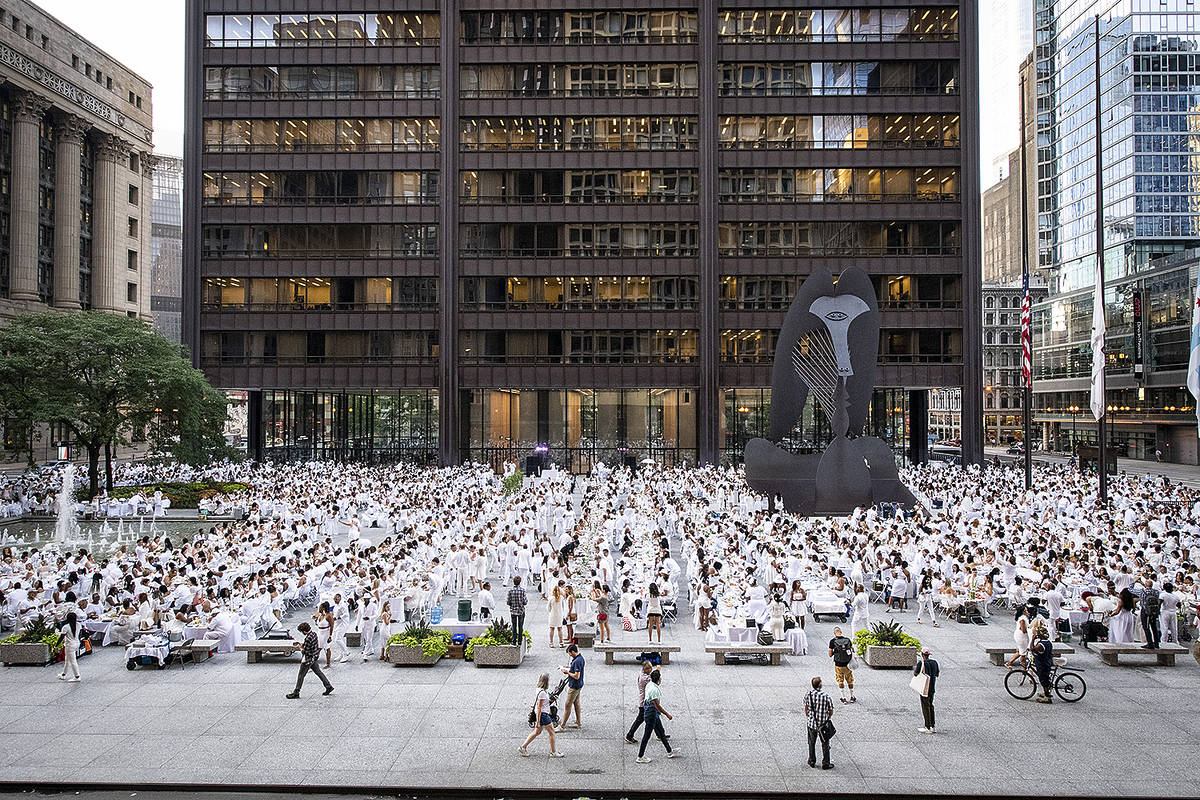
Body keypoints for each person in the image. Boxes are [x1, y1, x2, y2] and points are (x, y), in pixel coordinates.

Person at [519, 673, 564, 758]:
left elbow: (540, 704)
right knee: (552, 732)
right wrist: (538, 722)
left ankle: (523, 747)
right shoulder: (542, 693)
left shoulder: (539, 689)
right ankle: (554, 753)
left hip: (542, 713)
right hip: (543, 715)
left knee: (537, 732)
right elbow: (539, 707)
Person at [636, 668, 675, 763]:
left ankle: (670, 751)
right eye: (660, 678)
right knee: (646, 736)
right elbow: (657, 705)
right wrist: (667, 714)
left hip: (652, 712)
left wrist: (658, 669)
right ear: (658, 680)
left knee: (661, 732)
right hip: (651, 713)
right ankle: (640, 757)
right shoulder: (654, 690)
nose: (661, 679)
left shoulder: (650, 683)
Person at [286, 621, 333, 700]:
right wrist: (303, 645)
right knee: (319, 673)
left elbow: (305, 652)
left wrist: (300, 648)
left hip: (308, 659)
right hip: (314, 657)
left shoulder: (308, 638)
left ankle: (296, 692)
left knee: (301, 676)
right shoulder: (314, 634)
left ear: (304, 631)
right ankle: (328, 686)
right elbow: (312, 645)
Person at [803, 676, 834, 770]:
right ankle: (826, 763)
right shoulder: (826, 696)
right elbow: (831, 710)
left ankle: (812, 760)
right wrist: (828, 717)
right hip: (823, 725)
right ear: (820, 685)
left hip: (811, 724)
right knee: (825, 744)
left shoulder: (808, 694)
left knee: (811, 743)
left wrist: (809, 717)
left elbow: (806, 708)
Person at [624, 660, 654, 744]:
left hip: (644, 700)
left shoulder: (642, 673)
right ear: (646, 669)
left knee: (654, 717)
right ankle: (629, 735)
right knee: (640, 719)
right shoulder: (646, 678)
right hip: (644, 702)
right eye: (650, 668)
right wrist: (658, 671)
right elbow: (655, 680)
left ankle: (660, 734)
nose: (651, 670)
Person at [557, 643, 585, 731]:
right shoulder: (580, 658)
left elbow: (576, 676)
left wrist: (567, 672)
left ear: (573, 652)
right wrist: (569, 668)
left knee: (567, 705)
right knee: (576, 702)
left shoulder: (577, 661)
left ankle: (562, 726)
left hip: (574, 686)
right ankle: (578, 722)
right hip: (579, 685)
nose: (569, 655)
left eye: (569, 653)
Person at [913, 646, 939, 733]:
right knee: (931, 705)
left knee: (925, 706)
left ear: (922, 654)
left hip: (924, 688)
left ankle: (927, 727)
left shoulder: (922, 663)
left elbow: (916, 673)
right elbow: (937, 674)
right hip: (932, 687)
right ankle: (933, 726)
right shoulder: (935, 663)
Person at [828, 627, 856, 704]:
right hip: (847, 664)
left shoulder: (832, 641)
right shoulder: (847, 640)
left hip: (838, 664)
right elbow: (852, 650)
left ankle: (843, 698)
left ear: (834, 633)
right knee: (850, 680)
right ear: (841, 632)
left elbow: (830, 654)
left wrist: (835, 652)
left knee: (840, 680)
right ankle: (852, 696)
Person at [1029, 619, 1054, 704]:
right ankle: (1046, 692)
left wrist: (1032, 639)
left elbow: (1032, 648)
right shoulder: (1048, 642)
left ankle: (1047, 697)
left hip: (1043, 664)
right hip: (1048, 661)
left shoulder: (1040, 645)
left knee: (1044, 680)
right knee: (1045, 679)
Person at [1137, 578, 1162, 649]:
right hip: (1153, 610)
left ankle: (1150, 643)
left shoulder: (1142, 591)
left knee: (1146, 627)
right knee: (1154, 627)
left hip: (1145, 610)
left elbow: (1130, 589)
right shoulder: (1156, 592)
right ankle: (1156, 643)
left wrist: (1134, 582)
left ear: (1145, 584)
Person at [58, 611, 81, 682]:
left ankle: (77, 676)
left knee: (72, 661)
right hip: (76, 643)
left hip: (69, 645)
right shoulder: (78, 624)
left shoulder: (66, 627)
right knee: (67, 659)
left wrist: (56, 646)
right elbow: (80, 634)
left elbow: (61, 637)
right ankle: (63, 674)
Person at [507, 576, 527, 646]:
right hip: (521, 610)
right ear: (520, 582)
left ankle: (513, 641)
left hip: (513, 610)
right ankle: (520, 641)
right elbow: (525, 601)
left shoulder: (510, 590)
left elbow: (508, 601)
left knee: (514, 626)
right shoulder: (522, 590)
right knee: (520, 626)